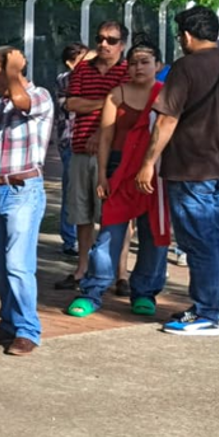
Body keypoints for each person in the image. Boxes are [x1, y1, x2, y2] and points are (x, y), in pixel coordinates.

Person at [137, 6, 219, 336]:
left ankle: (207, 312)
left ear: (187, 35)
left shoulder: (184, 68)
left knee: (199, 242)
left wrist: (147, 163)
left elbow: (167, 119)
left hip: (190, 169)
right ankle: (208, 307)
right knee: (213, 239)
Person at [66, 42, 170, 319]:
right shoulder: (116, 95)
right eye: (134, 62)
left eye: (145, 62)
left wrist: (151, 166)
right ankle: (92, 291)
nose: (138, 67)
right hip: (118, 168)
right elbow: (106, 137)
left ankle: (145, 292)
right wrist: (102, 173)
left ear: (158, 66)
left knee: (152, 235)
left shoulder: (165, 96)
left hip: (155, 173)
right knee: (109, 233)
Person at [0, 46, 52, 356]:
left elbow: (23, 102)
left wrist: (13, 70)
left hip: (23, 189)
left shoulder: (39, 96)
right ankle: (9, 322)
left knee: (18, 264)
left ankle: (28, 329)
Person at [55, 21, 129, 290]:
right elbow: (72, 103)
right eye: (100, 38)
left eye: (111, 40)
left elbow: (128, 109)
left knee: (115, 215)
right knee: (82, 212)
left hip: (113, 152)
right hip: (79, 148)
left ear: (122, 45)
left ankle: (120, 273)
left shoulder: (127, 71)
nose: (104, 44)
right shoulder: (83, 69)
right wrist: (108, 102)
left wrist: (102, 128)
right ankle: (82, 269)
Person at [54, 43, 93, 257]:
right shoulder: (66, 79)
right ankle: (70, 239)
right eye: (83, 59)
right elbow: (73, 104)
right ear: (71, 62)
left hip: (91, 140)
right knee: (72, 190)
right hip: (71, 141)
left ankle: (82, 238)